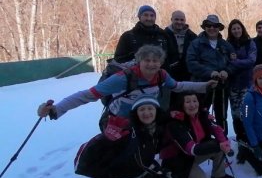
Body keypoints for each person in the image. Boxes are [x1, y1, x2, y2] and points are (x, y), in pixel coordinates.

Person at [37, 45, 215, 135]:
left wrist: (204, 86)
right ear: (139, 61)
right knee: (114, 157)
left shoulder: (161, 75)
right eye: (147, 60)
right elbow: (87, 95)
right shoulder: (123, 78)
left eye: (156, 61)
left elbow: (179, 86)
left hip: (144, 123)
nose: (152, 64)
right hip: (117, 124)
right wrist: (56, 109)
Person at [161, 92, 235, 178]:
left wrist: (223, 142)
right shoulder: (176, 123)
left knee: (219, 145)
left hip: (194, 154)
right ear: (181, 104)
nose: (192, 105)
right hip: (179, 159)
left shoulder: (201, 115)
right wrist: (217, 145)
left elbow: (216, 128)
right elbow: (191, 149)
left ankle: (218, 175)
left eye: (195, 101)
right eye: (188, 102)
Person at [187, 14, 235, 135]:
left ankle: (223, 143)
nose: (212, 28)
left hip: (222, 86)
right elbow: (191, 63)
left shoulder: (226, 45)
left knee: (221, 116)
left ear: (219, 28)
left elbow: (233, 62)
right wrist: (209, 72)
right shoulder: (196, 44)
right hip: (202, 86)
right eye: (209, 25)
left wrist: (227, 71)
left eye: (215, 26)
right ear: (204, 27)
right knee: (201, 114)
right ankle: (202, 141)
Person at [114, 5, 178, 72]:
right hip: (135, 78)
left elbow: (172, 57)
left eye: (152, 15)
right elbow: (118, 59)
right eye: (146, 15)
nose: (149, 18)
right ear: (139, 17)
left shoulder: (163, 35)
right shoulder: (128, 36)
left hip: (160, 77)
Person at [226, 19, 257, 156]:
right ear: (230, 31)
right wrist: (236, 63)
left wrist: (235, 62)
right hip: (233, 85)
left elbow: (251, 61)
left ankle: (251, 142)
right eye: (233, 29)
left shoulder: (250, 43)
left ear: (242, 29)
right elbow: (225, 62)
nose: (236, 31)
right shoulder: (227, 45)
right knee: (235, 115)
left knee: (246, 113)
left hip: (246, 84)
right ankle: (241, 143)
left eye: (238, 28)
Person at [164, 10, 197, 82]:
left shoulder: (192, 36)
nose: (179, 22)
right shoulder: (164, 35)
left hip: (188, 74)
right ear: (171, 20)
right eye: (176, 19)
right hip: (169, 74)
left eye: (182, 20)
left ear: (185, 21)